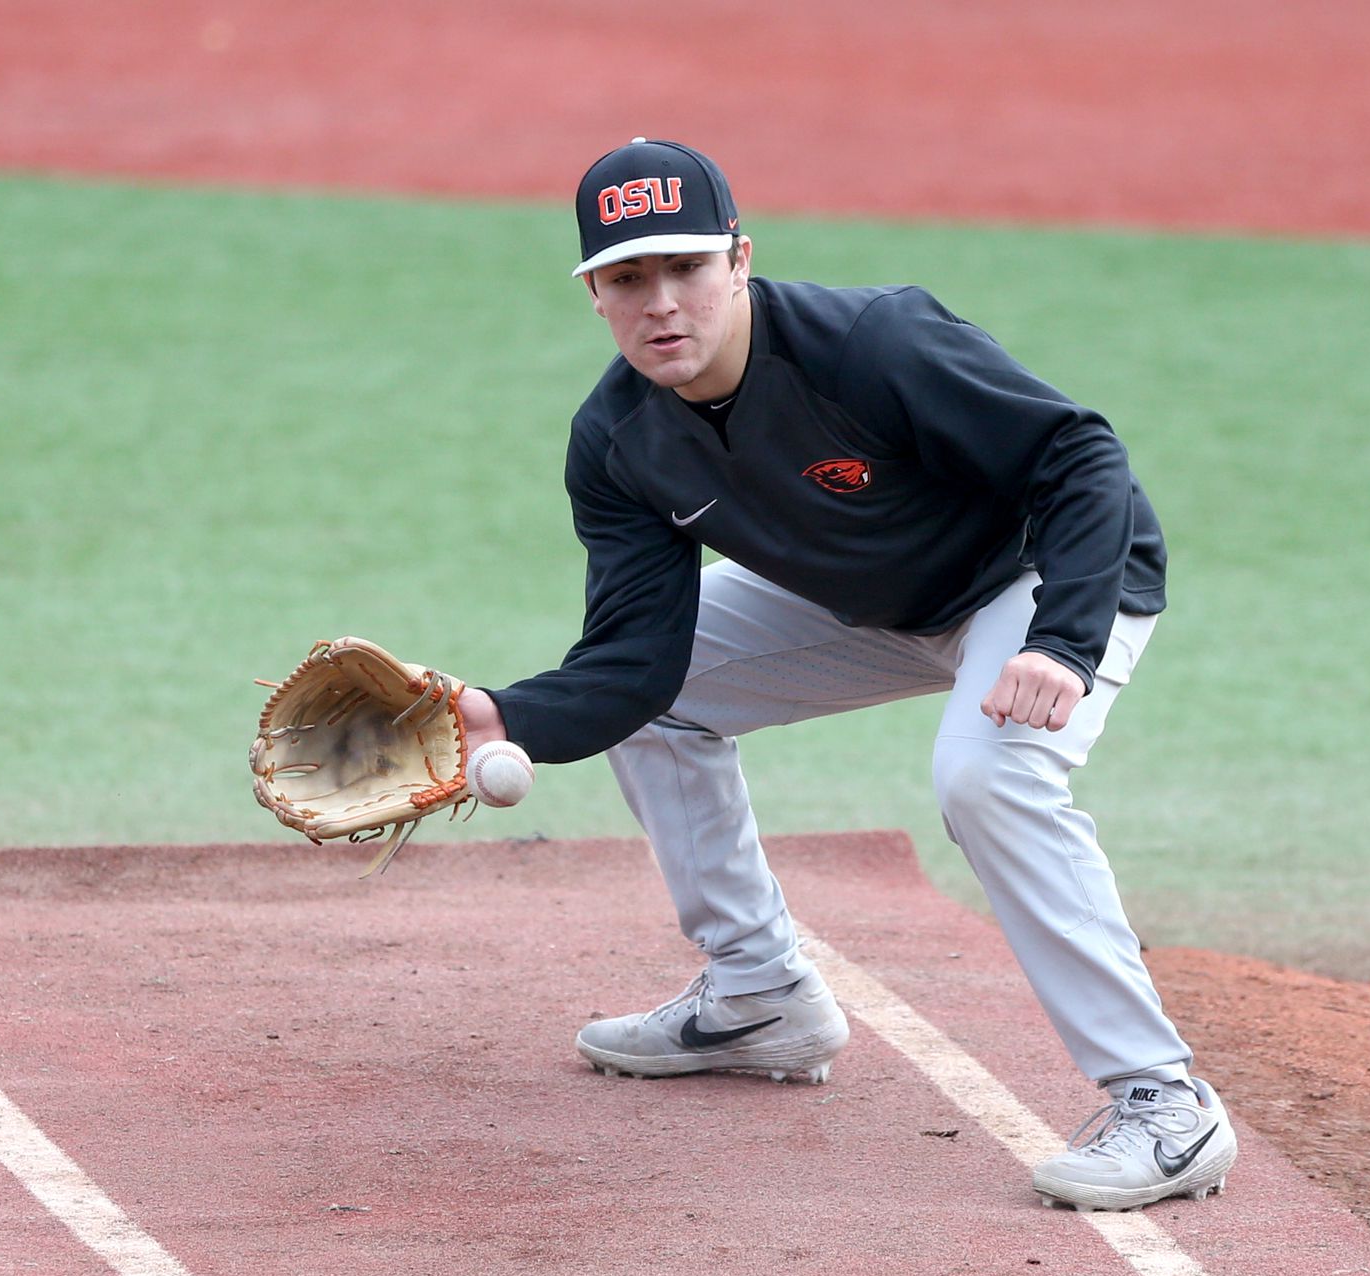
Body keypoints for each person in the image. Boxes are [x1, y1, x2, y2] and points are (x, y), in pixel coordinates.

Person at [456, 138, 1236, 1214]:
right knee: (670, 703)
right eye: (629, 278)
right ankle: (758, 995)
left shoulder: (875, 343)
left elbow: (1082, 457)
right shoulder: (618, 441)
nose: (662, 303)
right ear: (594, 293)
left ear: (740, 259)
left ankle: (1166, 1104)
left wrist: (1060, 641)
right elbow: (635, 666)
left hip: (1042, 580)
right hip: (877, 602)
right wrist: (495, 713)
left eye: (686, 267)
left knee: (988, 776)